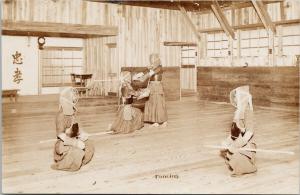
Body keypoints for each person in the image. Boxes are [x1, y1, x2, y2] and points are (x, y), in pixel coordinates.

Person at [51, 87, 94, 171]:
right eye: (72, 98)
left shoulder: (72, 112)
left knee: (90, 146)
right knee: (78, 151)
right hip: (63, 142)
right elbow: (61, 135)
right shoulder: (60, 115)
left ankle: (77, 161)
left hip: (73, 137)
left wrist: (82, 134)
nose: (74, 99)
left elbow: (75, 128)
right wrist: (75, 143)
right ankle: (66, 161)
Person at [220, 85, 257, 176]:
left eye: (237, 97)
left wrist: (237, 144)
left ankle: (248, 166)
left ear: (243, 98)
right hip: (238, 142)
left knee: (236, 155)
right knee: (231, 152)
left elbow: (249, 133)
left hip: (247, 145)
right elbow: (234, 133)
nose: (235, 100)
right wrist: (226, 142)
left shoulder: (248, 112)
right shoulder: (237, 113)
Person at [143, 53, 168, 127]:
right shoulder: (152, 67)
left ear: (157, 59)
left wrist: (141, 78)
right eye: (151, 59)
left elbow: (150, 74)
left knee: (159, 103)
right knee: (152, 102)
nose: (152, 60)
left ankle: (164, 121)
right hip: (152, 85)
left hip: (157, 86)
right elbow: (147, 73)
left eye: (153, 59)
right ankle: (155, 121)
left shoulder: (159, 67)